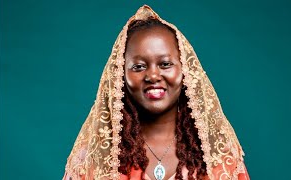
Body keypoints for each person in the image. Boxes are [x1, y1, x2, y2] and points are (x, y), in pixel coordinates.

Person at [63, 5, 250, 180]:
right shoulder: (94, 160)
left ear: (186, 71)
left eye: (165, 64)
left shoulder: (219, 157)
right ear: (120, 74)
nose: (153, 75)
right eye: (138, 66)